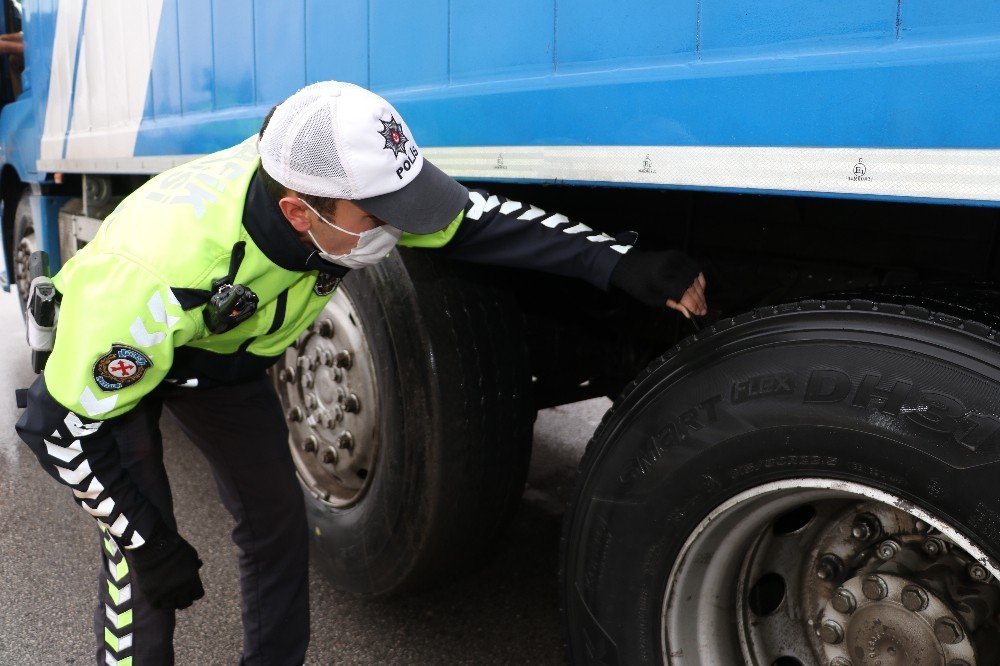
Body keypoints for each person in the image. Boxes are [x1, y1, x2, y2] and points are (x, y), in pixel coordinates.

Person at [15, 81, 707, 665]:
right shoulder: (155, 278)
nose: (400, 231)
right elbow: (57, 429)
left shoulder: (336, 192)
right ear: (296, 211)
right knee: (140, 560)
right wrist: (152, 540)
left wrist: (619, 262)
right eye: (382, 217)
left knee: (277, 522)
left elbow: (481, 223)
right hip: (114, 369)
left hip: (222, 361)